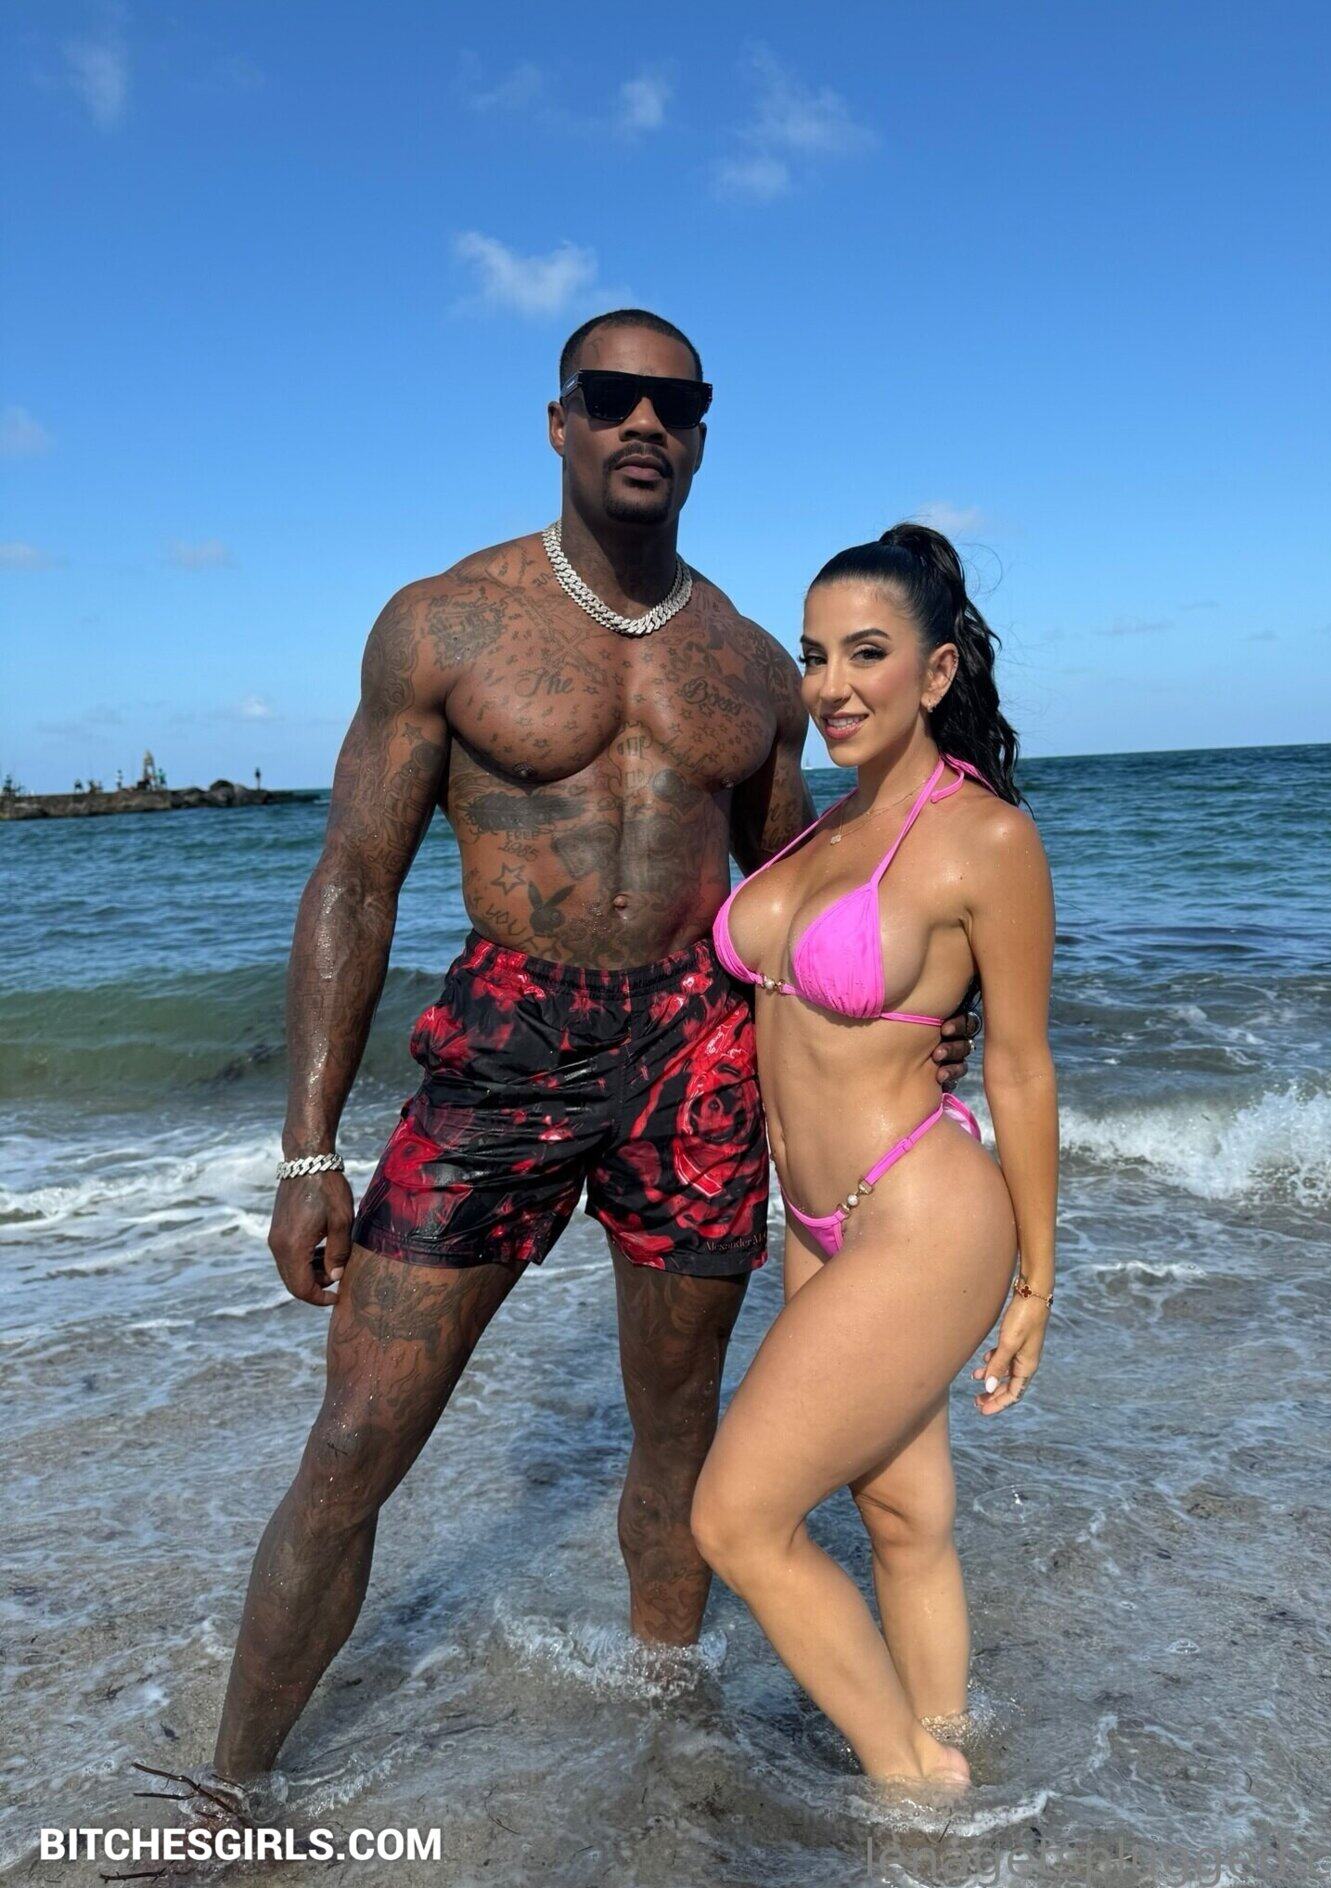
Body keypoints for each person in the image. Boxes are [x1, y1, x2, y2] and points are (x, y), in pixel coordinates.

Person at [191, 312, 979, 1802]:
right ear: (558, 422)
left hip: (693, 1055)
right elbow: (353, 879)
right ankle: (228, 1796)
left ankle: (660, 1746)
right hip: (504, 1045)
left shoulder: (750, 663)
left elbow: (794, 898)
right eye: (611, 397)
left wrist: (918, 1025)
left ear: (703, 433)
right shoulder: (445, 626)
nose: (643, 423)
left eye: (674, 403)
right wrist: (307, 1149)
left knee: (680, 1437)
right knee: (355, 1440)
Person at [691, 523, 1057, 1790]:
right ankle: (951, 1749)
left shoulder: (985, 842)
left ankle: (914, 1789)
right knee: (899, 1513)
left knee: (737, 1518)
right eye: (813, 657)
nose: (832, 687)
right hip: (815, 1220)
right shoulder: (817, 831)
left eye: (865, 654)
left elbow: (1020, 1066)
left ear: (937, 671)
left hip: (922, 1216)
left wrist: (1037, 1280)